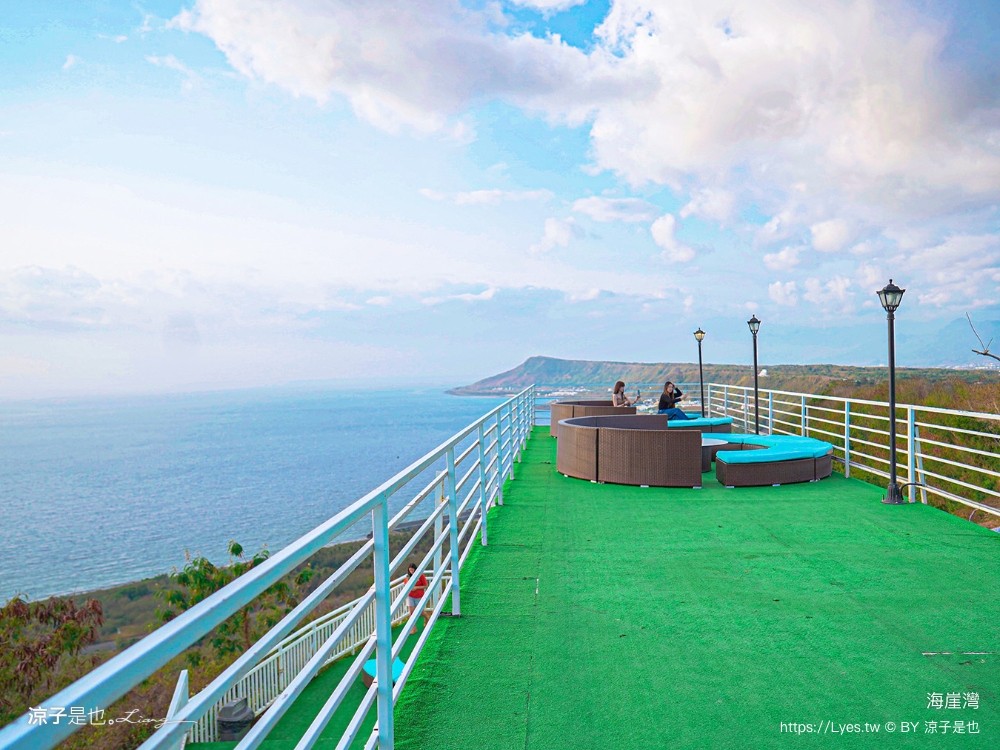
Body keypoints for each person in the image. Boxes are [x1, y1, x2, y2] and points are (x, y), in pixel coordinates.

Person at [404, 563, 429, 634]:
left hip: (419, 596)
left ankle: (427, 618)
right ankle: (413, 628)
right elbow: (405, 585)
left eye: (412, 570)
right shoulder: (407, 577)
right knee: (411, 612)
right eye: (410, 570)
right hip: (410, 596)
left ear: (415, 569)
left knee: (421, 612)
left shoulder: (420, 576)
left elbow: (425, 585)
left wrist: (416, 588)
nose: (411, 571)